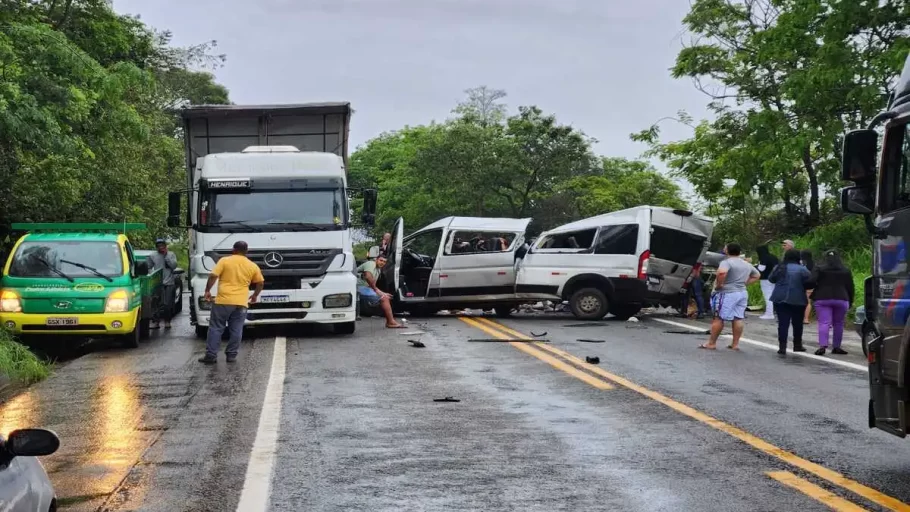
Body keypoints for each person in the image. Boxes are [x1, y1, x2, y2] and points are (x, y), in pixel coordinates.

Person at [199, 241, 264, 364]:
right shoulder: (252, 265)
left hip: (223, 300)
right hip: (241, 302)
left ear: (233, 250)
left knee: (216, 328)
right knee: (237, 329)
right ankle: (231, 355)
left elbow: (213, 276)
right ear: (246, 251)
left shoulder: (225, 260)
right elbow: (260, 283)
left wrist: (207, 290)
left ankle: (211, 355)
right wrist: (255, 295)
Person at [699, 243, 760, 351]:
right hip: (741, 293)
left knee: (718, 317)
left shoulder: (726, 262)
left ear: (727, 251)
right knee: (738, 317)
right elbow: (757, 275)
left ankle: (711, 343)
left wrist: (719, 285)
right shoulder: (746, 264)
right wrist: (744, 283)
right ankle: (735, 344)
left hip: (727, 293)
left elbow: (721, 273)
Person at [810, 250, 854, 356]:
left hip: (822, 298)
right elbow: (850, 287)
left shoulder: (819, 269)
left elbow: (811, 281)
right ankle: (836, 346)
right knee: (839, 323)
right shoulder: (845, 270)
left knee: (824, 322)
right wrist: (850, 300)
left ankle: (823, 346)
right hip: (842, 298)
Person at [769, 249, 812, 355]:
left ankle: (782, 347)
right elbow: (810, 282)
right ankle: (797, 345)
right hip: (798, 299)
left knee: (783, 323)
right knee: (797, 323)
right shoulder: (802, 269)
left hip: (779, 298)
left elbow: (771, 279)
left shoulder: (779, 267)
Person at [356, 255, 404, 328]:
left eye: (384, 262)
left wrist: (382, 292)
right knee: (384, 298)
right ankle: (390, 322)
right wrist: (378, 291)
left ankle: (389, 319)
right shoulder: (371, 263)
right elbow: (368, 276)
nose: (382, 263)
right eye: (381, 260)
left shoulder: (378, 270)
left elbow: (371, 285)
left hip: (364, 288)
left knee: (387, 296)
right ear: (376, 260)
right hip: (356, 287)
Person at [147, 238, 179, 329]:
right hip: (157, 283)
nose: (161, 247)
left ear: (165, 246)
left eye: (162, 245)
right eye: (158, 246)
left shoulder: (171, 254)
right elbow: (148, 267)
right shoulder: (153, 255)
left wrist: (166, 256)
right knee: (156, 303)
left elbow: (174, 266)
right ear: (156, 247)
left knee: (167, 304)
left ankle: (167, 321)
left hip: (169, 283)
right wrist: (152, 274)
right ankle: (156, 322)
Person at [755, 243, 779, 320]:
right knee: (773, 295)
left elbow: (761, 269)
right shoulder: (773, 257)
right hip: (774, 279)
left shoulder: (763, 258)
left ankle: (769, 313)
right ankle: (774, 312)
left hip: (765, 279)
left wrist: (754, 266)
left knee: (767, 296)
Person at [800, 249, 815, 324]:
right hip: (810, 285)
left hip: (801, 285)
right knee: (808, 302)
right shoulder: (814, 264)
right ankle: (806, 318)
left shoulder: (802, 264)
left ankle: (799, 317)